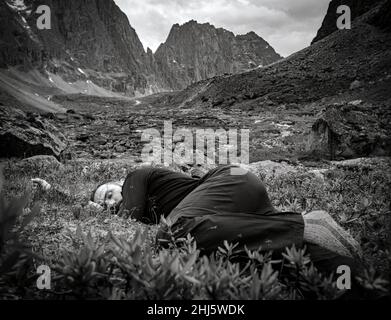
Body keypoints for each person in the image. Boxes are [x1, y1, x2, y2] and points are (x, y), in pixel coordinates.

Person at [91, 165, 362, 276]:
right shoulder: (174, 204)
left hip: (230, 179)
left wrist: (96, 211)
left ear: (118, 183)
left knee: (172, 233)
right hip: (235, 205)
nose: (109, 202)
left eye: (108, 193)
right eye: (104, 203)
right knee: (249, 249)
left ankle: (302, 225)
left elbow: (131, 213)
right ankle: (347, 272)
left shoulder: (135, 177)